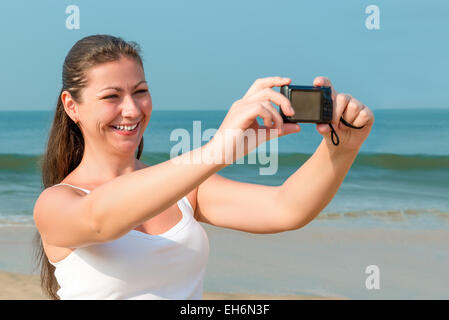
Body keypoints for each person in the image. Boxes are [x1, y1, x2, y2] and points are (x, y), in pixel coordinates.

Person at [33, 34, 374, 300]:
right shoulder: (56, 204)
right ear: (71, 106)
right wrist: (217, 151)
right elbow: (99, 221)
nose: (133, 110)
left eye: (140, 91)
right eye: (112, 97)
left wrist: (342, 148)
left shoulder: (189, 189)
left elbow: (287, 209)